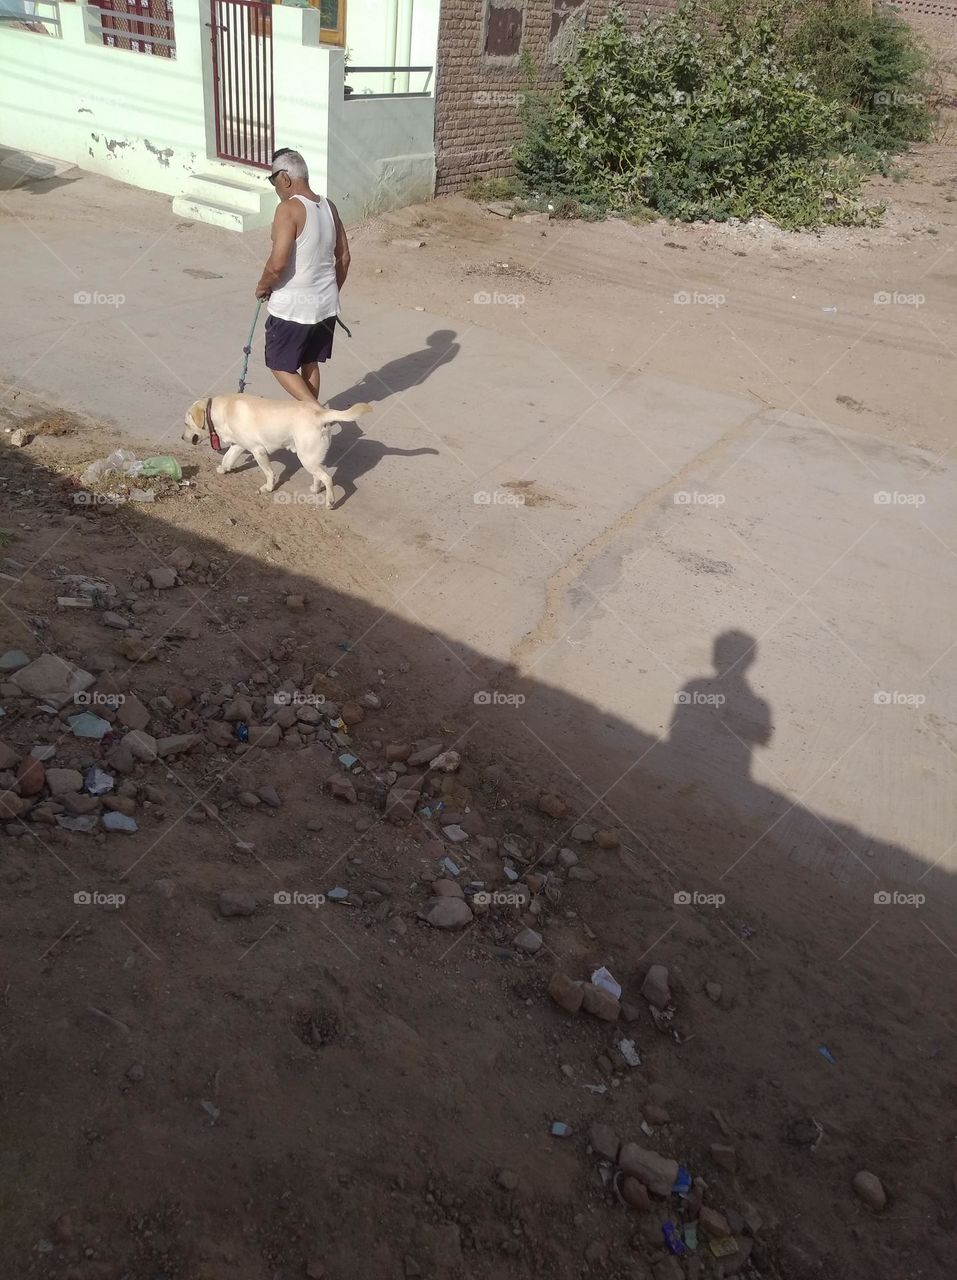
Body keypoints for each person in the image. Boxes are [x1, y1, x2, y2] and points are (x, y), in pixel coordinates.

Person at [255, 148, 351, 404]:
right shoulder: (329, 206)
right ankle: (310, 426)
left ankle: (315, 413)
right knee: (309, 362)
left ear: (284, 178)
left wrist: (262, 286)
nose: (276, 188)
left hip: (293, 308)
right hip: (325, 305)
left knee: (278, 363)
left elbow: (277, 264)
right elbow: (344, 258)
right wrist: (329, 291)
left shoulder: (288, 209)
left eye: (273, 181)